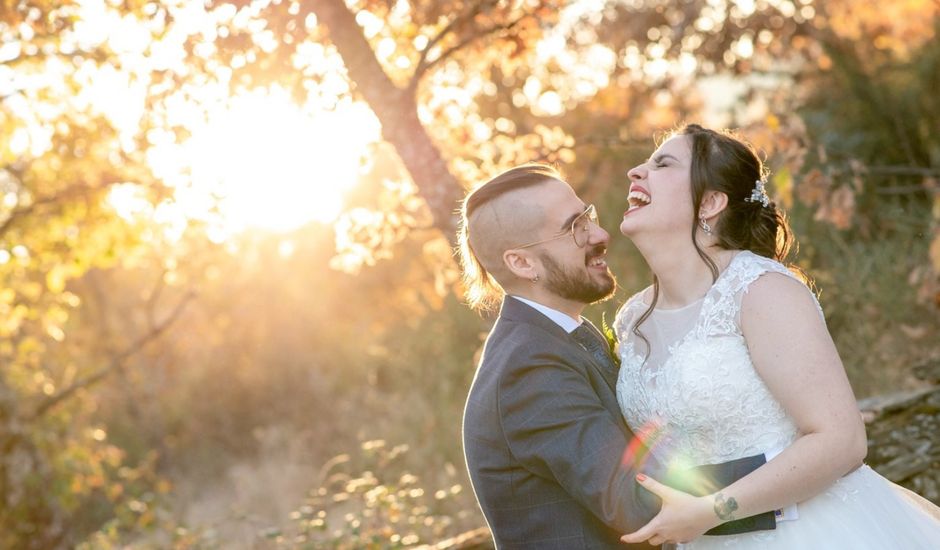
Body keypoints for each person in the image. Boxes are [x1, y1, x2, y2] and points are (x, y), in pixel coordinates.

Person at [614, 123, 940, 548]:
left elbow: (841, 440)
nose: (635, 172)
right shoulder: (632, 317)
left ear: (710, 202)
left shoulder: (761, 290)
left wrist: (711, 510)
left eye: (663, 163)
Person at [458, 164, 775, 549]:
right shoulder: (528, 368)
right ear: (522, 263)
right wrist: (785, 469)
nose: (601, 234)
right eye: (575, 227)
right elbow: (638, 502)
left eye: (587, 216)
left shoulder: (560, 336)